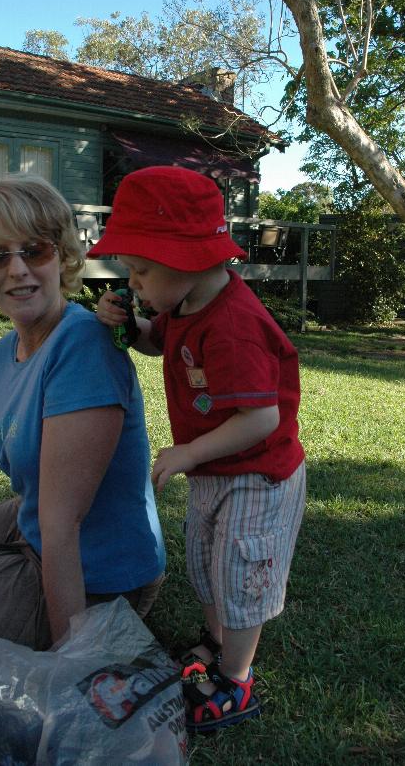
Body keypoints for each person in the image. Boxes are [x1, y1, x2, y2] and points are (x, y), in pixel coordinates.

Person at [0, 174, 165, 649]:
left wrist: (71, 661)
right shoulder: (5, 352)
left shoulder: (83, 345)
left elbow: (64, 526)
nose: (17, 269)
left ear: (61, 256)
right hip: (32, 524)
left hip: (95, 583)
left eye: (34, 250)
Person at [91, 165, 306, 733]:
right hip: (216, 465)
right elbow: (152, 343)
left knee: (240, 571)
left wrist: (187, 453)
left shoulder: (233, 324)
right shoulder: (182, 306)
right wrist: (127, 321)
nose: (131, 281)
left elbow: (263, 417)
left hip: (256, 475)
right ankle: (215, 644)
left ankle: (236, 682)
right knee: (209, 566)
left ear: (184, 258)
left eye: (139, 270)